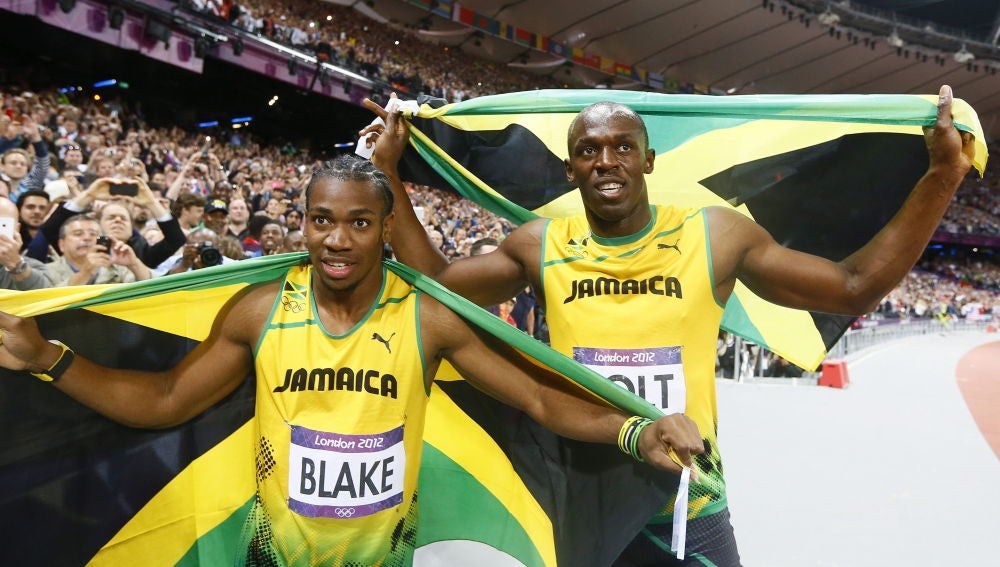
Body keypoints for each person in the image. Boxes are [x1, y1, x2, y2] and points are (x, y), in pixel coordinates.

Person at [362, 85, 975, 566]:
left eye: (623, 147)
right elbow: (436, 283)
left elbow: (852, 286)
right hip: (583, 490)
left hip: (687, 492)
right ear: (571, 169)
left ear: (648, 160)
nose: (606, 161)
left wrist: (942, 176)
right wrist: (388, 168)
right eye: (588, 150)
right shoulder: (539, 244)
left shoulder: (713, 235)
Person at [0, 155, 701, 566]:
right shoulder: (259, 309)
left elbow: (538, 401)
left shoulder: (428, 318)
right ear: (303, 222)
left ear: (386, 227)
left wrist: (635, 430)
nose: (337, 239)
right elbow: (164, 401)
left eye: (359, 222)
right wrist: (49, 358)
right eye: (321, 220)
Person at [46, 214, 151, 286]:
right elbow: (46, 305)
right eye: (78, 234)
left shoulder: (118, 269)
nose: (87, 238)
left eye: (93, 234)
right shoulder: (46, 272)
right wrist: (85, 273)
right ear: (61, 245)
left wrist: (134, 264)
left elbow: (152, 292)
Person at [0, 196, 51, 290]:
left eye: (3, 225)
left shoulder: (34, 266)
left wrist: (16, 265)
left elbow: (44, 295)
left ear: (17, 229)